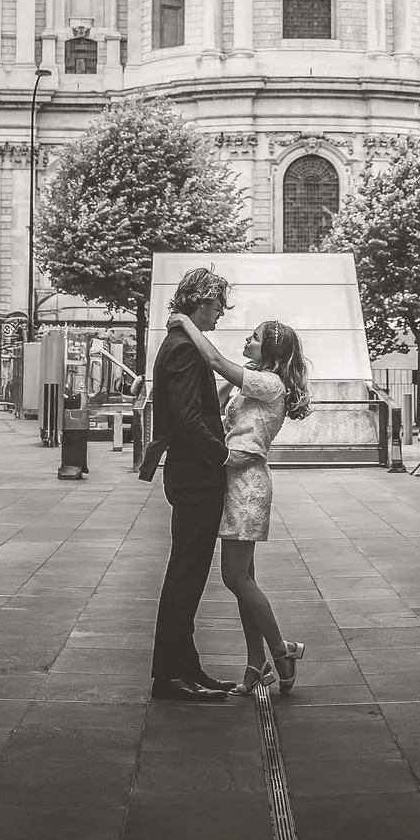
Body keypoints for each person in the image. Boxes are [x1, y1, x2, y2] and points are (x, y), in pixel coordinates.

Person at [172, 313, 310, 693]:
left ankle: (281, 650)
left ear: (270, 350)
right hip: (234, 479)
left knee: (234, 577)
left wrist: (186, 322)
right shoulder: (255, 382)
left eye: (254, 337)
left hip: (247, 485)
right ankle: (256, 663)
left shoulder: (269, 383)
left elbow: (215, 362)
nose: (247, 341)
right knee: (243, 579)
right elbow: (214, 406)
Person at [149, 268, 239, 702]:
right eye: (218, 304)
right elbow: (186, 420)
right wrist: (223, 456)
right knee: (185, 577)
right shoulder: (184, 349)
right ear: (201, 302)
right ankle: (169, 676)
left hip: (189, 476)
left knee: (188, 575)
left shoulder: (180, 343)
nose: (221, 313)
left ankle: (187, 668)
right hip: (196, 478)